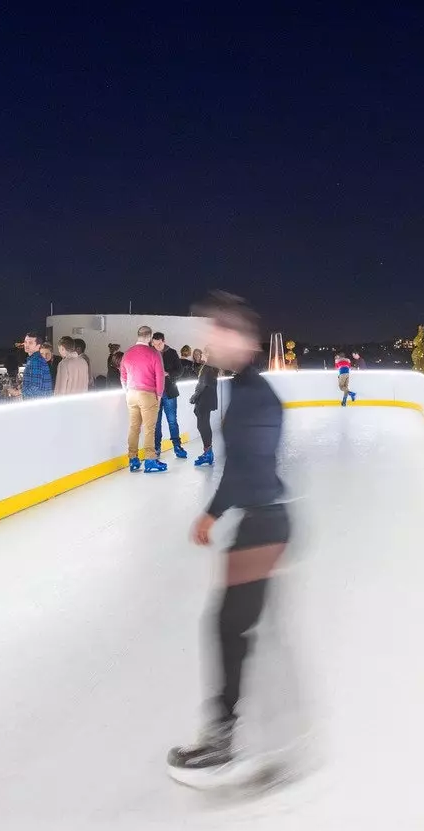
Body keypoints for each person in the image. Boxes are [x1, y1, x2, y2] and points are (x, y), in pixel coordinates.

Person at [168, 291, 292, 787]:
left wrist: (215, 512)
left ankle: (226, 740)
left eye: (216, 333)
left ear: (242, 339)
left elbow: (251, 472)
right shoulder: (240, 389)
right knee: (234, 629)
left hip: (264, 524)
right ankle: (255, 736)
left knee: (228, 628)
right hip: (259, 522)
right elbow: (239, 466)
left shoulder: (255, 397)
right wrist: (215, 513)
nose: (207, 343)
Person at [119, 326, 166, 473]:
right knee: (149, 429)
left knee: (134, 428)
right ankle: (150, 460)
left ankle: (133, 459)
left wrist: (127, 390)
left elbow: (123, 375)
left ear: (138, 335)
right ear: (150, 337)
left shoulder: (128, 353)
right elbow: (159, 376)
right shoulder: (154, 353)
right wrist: (159, 395)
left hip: (131, 394)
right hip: (147, 395)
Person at [152, 332, 188, 460]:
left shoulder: (171, 352)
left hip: (169, 392)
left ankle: (177, 446)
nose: (157, 346)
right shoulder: (150, 353)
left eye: (159, 343)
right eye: (154, 344)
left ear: (164, 341)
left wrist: (168, 373)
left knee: (172, 421)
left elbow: (180, 371)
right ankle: (156, 448)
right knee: (156, 423)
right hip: (154, 393)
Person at [190, 348, 219, 467]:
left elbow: (202, 384)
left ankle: (208, 452)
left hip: (204, 399)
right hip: (207, 398)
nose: (202, 354)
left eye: (205, 352)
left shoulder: (207, 368)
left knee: (202, 425)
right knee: (203, 424)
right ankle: (208, 452)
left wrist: (194, 397)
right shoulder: (210, 367)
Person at [19, 332, 53, 399]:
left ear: (38, 346)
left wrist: (18, 392)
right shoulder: (35, 359)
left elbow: (35, 387)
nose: (26, 345)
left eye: (30, 343)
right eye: (25, 342)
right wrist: (20, 387)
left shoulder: (35, 361)